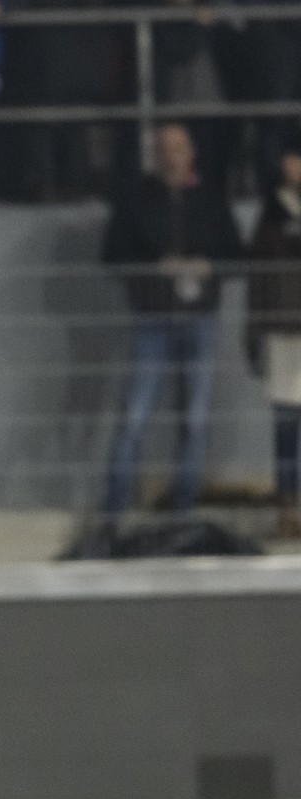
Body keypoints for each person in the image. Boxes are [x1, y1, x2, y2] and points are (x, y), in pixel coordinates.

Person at [102, 122, 241, 518]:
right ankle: (113, 509)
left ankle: (182, 509)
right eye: (163, 148)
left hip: (200, 318)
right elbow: (112, 256)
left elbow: (237, 256)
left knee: (195, 419)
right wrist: (154, 268)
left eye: (178, 147)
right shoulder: (134, 199)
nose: (171, 155)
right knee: (135, 415)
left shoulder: (212, 200)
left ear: (192, 152)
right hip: (153, 318)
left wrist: (208, 267)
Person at [245, 143, 301, 538]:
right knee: (285, 424)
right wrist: (253, 333)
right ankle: (289, 505)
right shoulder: (270, 217)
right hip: (281, 334)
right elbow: (257, 281)